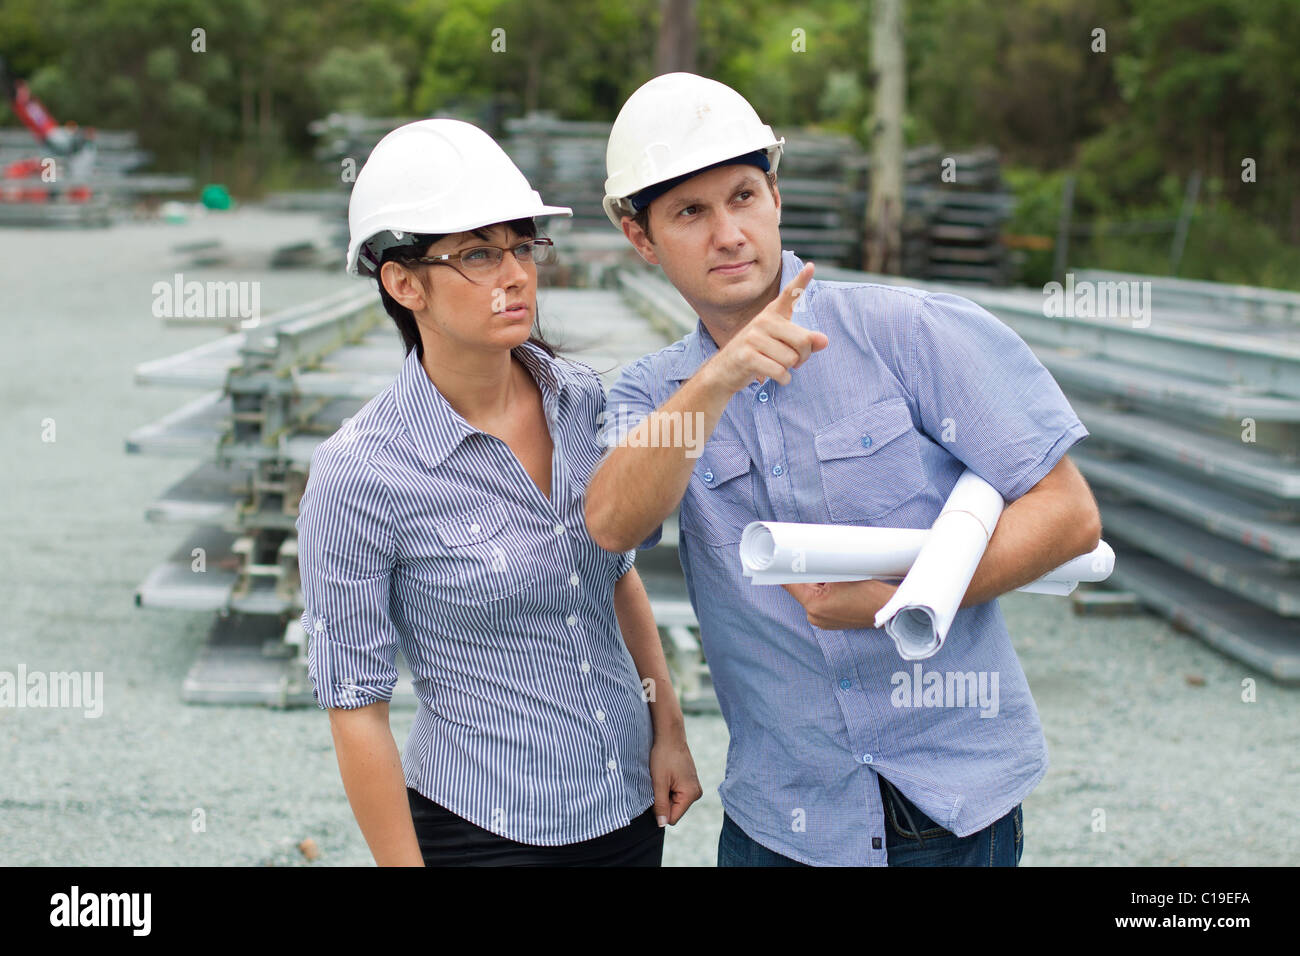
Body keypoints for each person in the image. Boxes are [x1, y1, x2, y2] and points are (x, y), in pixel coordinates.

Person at [585, 73, 1102, 867]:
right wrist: (718, 380)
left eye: (744, 196)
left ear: (776, 198)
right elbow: (614, 524)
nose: (728, 232)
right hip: (785, 823)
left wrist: (900, 602)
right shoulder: (652, 396)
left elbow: (1068, 514)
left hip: (953, 812)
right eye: (691, 212)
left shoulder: (910, 333)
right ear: (642, 239)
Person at [297, 118, 702, 867]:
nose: (515, 273)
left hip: (626, 808)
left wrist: (667, 728)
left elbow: (617, 577)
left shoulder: (577, 398)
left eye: (521, 246)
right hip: (485, 829)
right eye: (478, 254)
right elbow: (355, 705)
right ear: (402, 281)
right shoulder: (360, 474)